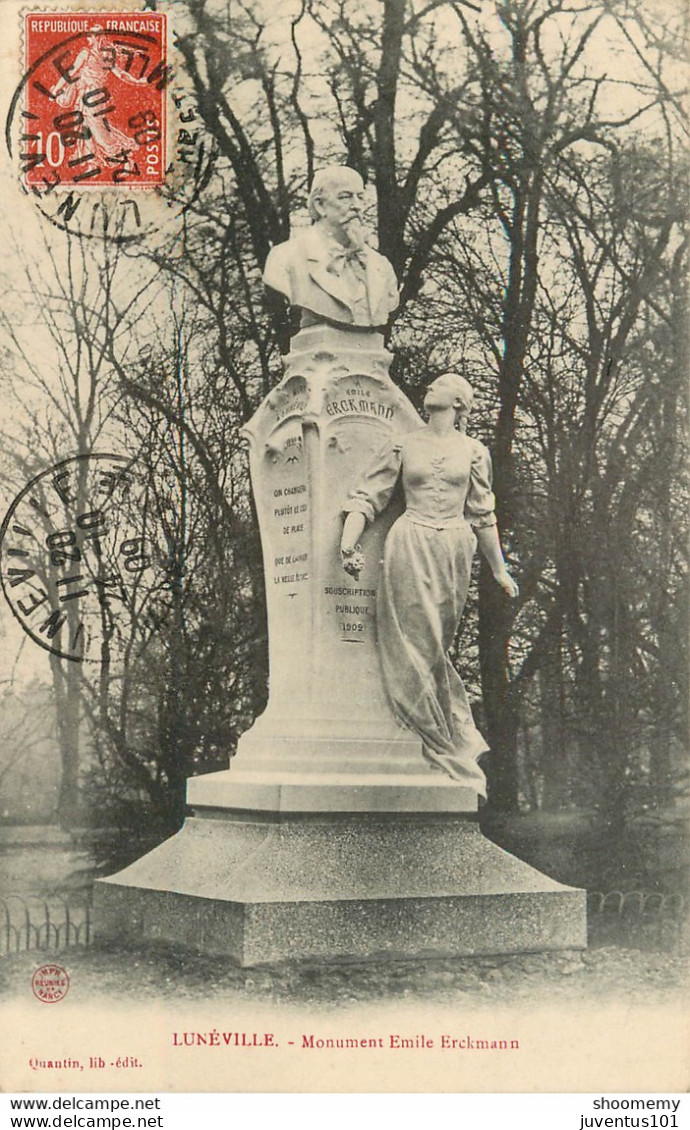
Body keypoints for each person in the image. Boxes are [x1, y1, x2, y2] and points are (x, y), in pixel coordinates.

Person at [340, 373, 519, 797]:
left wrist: (499, 569)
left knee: (437, 642)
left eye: (439, 386)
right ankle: (428, 739)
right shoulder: (405, 444)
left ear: (459, 401)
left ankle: (440, 735)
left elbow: (483, 514)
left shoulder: (474, 452)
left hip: (455, 548)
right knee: (413, 639)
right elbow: (368, 496)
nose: (429, 389)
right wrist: (348, 546)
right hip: (410, 541)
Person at [263, 166, 399, 330]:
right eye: (345, 197)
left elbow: (389, 302)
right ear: (320, 205)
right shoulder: (285, 257)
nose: (357, 206)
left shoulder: (380, 265)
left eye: (360, 197)